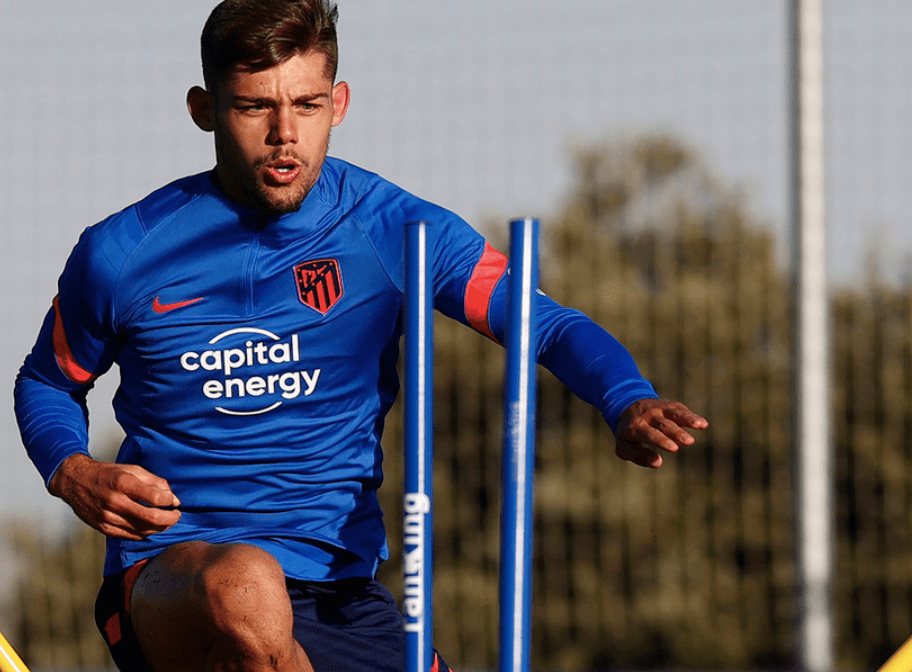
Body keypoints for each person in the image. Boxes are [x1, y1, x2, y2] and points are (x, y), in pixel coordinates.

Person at [13, 1, 708, 671]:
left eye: (307, 105)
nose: (285, 133)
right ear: (204, 109)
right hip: (175, 576)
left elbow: (542, 322)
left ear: (339, 103)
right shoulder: (122, 253)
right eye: (254, 107)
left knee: (270, 602)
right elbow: (47, 382)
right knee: (246, 586)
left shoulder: (393, 228)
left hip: (337, 590)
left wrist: (625, 397)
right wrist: (71, 471)